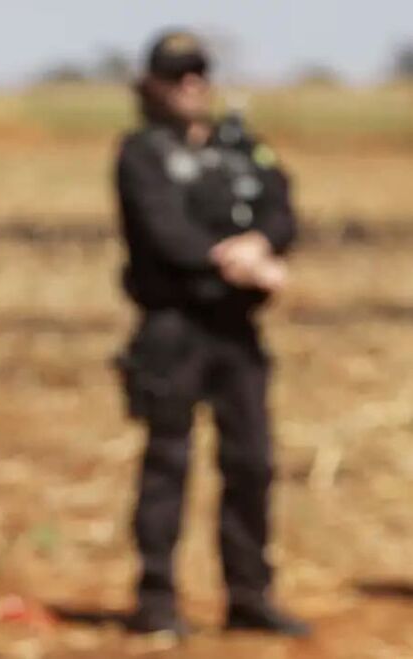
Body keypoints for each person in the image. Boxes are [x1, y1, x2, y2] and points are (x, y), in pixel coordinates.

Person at [114, 30, 309, 638]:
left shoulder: (242, 146)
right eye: (177, 75)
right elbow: (163, 232)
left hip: (237, 332)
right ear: (153, 85)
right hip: (173, 328)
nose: (191, 85)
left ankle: (249, 594)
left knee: (251, 462)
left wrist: (262, 243)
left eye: (198, 73)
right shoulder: (141, 151)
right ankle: (157, 600)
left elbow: (281, 209)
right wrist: (240, 260)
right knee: (168, 462)